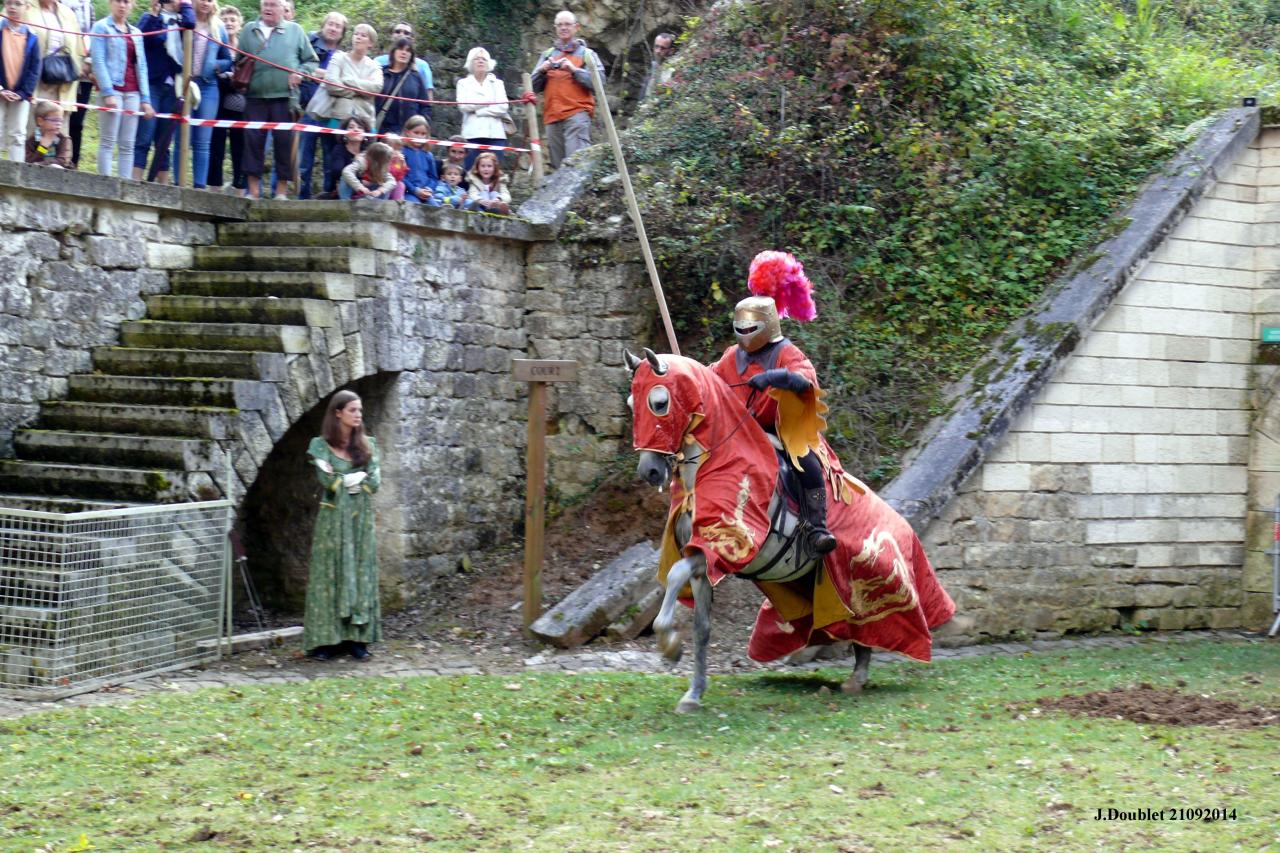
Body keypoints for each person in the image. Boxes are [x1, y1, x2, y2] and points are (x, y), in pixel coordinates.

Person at [708, 252, 836, 555]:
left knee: (806, 462)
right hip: (740, 431)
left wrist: (775, 377)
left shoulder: (787, 353)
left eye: (751, 328)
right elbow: (708, 376)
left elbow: (805, 381)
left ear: (767, 325)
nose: (745, 335)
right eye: (741, 328)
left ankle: (817, 527)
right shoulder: (731, 356)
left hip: (782, 431)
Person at [304, 390, 381, 661]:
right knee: (330, 574)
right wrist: (351, 479)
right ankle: (327, 640)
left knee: (360, 573)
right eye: (352, 410)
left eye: (360, 411)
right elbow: (328, 481)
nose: (358, 415)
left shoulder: (368, 445)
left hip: (360, 520)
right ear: (338, 413)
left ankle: (356, 639)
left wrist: (351, 478)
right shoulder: (321, 446)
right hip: (333, 520)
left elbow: (373, 481)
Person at [237, 0, 316, 199]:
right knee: (252, 142)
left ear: (283, 9)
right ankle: (253, 191)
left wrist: (300, 73)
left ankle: (281, 191)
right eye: (265, 4)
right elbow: (238, 60)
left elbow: (311, 61)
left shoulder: (295, 30)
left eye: (273, 4)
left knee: (283, 143)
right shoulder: (249, 29)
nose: (268, 8)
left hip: (284, 97)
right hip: (254, 96)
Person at [132, 0, 194, 184]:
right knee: (145, 135)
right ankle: (135, 181)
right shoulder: (150, 17)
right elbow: (141, 38)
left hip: (173, 85)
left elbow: (191, 23)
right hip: (152, 83)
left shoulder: (183, 19)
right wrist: (154, 14)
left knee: (165, 139)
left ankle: (163, 185)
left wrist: (185, 5)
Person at [89, 0, 154, 176]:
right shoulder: (101, 27)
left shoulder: (136, 33)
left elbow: (142, 67)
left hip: (133, 92)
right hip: (112, 88)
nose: (122, 5)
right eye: (118, 1)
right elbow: (98, 61)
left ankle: (125, 186)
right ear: (111, 3)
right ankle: (106, 185)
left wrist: (146, 99)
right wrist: (107, 92)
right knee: (108, 140)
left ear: (132, 5)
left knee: (127, 143)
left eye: (126, 2)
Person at [530, 9, 598, 168]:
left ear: (576, 27)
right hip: (552, 117)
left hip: (577, 114)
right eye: (559, 25)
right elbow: (531, 87)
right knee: (558, 167)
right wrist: (542, 70)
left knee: (577, 164)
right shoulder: (547, 55)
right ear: (555, 28)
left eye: (567, 24)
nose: (563, 28)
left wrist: (574, 70)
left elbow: (598, 82)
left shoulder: (587, 54)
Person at [295, 10, 345, 199]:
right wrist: (327, 76)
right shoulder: (309, 43)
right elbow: (302, 67)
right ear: (323, 26)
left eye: (338, 26)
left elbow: (342, 80)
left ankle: (327, 196)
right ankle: (302, 197)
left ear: (342, 32)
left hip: (330, 111)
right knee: (304, 158)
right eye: (330, 24)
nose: (333, 28)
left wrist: (321, 75)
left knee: (330, 156)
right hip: (308, 107)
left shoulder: (342, 55)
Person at [304, 22, 380, 131]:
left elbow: (375, 88)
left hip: (365, 120)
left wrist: (345, 80)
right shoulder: (338, 58)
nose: (358, 37)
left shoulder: (374, 65)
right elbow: (332, 85)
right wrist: (362, 89)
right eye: (356, 34)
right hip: (337, 117)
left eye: (363, 35)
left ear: (371, 43)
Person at [187, 0, 231, 189]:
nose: (206, 3)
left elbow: (228, 59)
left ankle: (199, 186)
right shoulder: (185, 20)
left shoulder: (219, 27)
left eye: (210, 0)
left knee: (203, 140)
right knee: (183, 137)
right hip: (185, 84)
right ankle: (179, 184)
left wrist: (215, 65)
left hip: (208, 86)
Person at [23, 0, 85, 114]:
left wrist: (78, 69)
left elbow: (79, 49)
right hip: (35, 81)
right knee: (30, 128)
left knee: (58, 129)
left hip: (64, 81)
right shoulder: (24, 6)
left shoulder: (68, 13)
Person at [207, 2, 243, 192]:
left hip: (240, 103)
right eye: (225, 19)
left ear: (239, 24)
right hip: (217, 100)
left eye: (232, 20)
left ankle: (239, 188)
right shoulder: (215, 42)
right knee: (215, 145)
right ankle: (214, 188)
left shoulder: (245, 45)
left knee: (240, 148)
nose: (229, 23)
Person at [456, 45, 509, 173]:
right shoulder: (463, 83)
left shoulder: (497, 83)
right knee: (471, 173)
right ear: (470, 63)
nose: (480, 61)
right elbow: (463, 105)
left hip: (495, 134)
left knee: (495, 173)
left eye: (483, 59)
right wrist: (489, 102)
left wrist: (479, 111)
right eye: (477, 59)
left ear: (488, 63)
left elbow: (503, 107)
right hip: (472, 134)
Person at [0, 0, 40, 163]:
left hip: (20, 94)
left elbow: (35, 68)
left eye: (18, 4)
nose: (12, 7)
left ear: (27, 7)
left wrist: (24, 92)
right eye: (9, 3)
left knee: (17, 135)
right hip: (1, 90)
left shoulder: (32, 36)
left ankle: (14, 183)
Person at [374, 20, 430, 119]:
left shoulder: (419, 72)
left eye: (406, 33)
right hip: (381, 126)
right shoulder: (379, 67)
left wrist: (423, 124)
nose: (401, 35)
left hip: (408, 127)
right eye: (398, 31)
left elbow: (426, 103)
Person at [59, 0, 92, 166]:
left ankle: (72, 162)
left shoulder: (88, 6)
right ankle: (48, 158)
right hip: (60, 69)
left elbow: (91, 35)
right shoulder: (58, 3)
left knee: (76, 122)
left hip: (84, 75)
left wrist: (88, 61)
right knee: (56, 118)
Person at [372, 36, 424, 134]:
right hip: (379, 129)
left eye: (408, 50)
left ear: (411, 55)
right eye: (400, 49)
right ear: (393, 52)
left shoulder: (416, 77)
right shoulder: (380, 72)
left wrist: (420, 128)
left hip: (406, 132)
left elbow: (425, 106)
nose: (404, 53)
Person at [320, 112, 366, 198]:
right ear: (345, 133)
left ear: (365, 133)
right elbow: (338, 172)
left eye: (360, 127)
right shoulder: (339, 149)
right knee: (346, 178)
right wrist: (356, 163)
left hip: (366, 188)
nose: (356, 130)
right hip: (345, 189)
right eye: (351, 127)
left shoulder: (368, 151)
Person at [399, 113, 436, 203]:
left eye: (423, 134)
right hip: (408, 193)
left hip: (426, 193)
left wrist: (429, 188)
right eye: (416, 133)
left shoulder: (428, 155)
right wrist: (415, 190)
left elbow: (433, 177)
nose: (420, 136)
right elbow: (400, 176)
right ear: (407, 132)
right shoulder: (401, 152)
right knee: (415, 207)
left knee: (435, 209)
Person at [25, 100, 72, 166]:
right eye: (54, 120)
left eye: (60, 120)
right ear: (40, 121)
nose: (58, 124)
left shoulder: (64, 139)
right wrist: (43, 147)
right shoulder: (31, 140)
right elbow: (29, 163)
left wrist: (43, 164)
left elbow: (63, 161)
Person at [463, 150, 509, 214]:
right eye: (483, 166)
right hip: (481, 205)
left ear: (494, 168)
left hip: (494, 205)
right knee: (483, 193)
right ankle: (477, 209)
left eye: (489, 166)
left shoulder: (500, 180)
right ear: (477, 168)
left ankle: (503, 211)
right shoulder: (473, 179)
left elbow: (506, 195)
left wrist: (498, 199)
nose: (486, 169)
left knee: (494, 194)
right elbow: (472, 193)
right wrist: (480, 200)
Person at [640, 31, 674, 101]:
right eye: (656, 46)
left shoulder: (672, 70)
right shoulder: (652, 68)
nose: (658, 51)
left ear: (671, 51)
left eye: (663, 48)